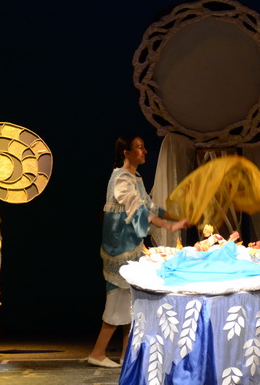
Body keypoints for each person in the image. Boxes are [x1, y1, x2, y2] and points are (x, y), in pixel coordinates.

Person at [88, 135, 188, 368]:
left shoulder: (136, 178)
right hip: (119, 248)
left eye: (143, 147)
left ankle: (128, 355)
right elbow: (137, 208)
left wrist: (178, 217)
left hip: (131, 246)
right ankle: (98, 353)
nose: (144, 151)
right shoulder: (121, 178)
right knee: (118, 299)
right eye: (139, 148)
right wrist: (168, 226)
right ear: (127, 153)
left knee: (132, 302)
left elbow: (150, 206)